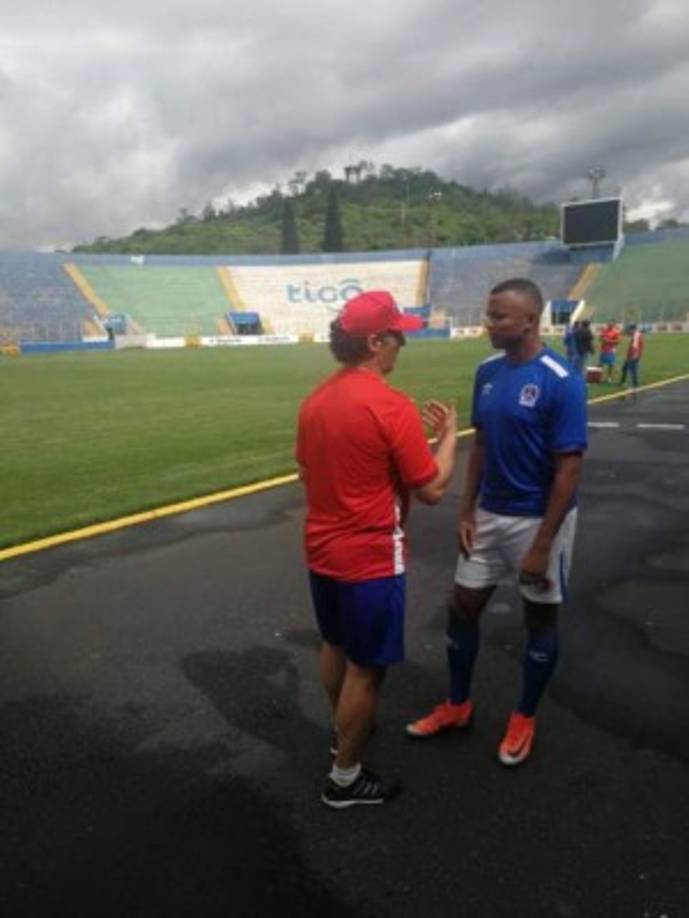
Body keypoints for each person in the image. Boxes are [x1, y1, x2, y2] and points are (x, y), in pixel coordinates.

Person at [406, 278, 587, 767]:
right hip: (488, 515)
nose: (488, 324)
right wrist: (467, 509)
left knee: (539, 618)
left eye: (498, 316)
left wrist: (542, 545)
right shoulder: (486, 372)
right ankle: (458, 704)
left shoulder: (562, 379)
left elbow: (569, 468)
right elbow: (481, 445)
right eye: (488, 314)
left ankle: (524, 715)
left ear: (529, 320)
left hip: (538, 520)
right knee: (462, 608)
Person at [296, 290, 457, 808]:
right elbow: (431, 489)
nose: (402, 342)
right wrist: (450, 437)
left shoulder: (316, 399)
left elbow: (306, 469)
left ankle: (340, 730)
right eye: (396, 334)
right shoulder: (389, 405)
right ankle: (345, 777)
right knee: (367, 668)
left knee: (335, 645)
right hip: (369, 556)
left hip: (322, 549)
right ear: (373, 341)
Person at [618, 323, 645, 395]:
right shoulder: (636, 334)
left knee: (633, 372)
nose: (629, 331)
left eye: (630, 329)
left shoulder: (636, 335)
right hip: (631, 355)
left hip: (633, 356)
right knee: (625, 368)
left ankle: (634, 387)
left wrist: (633, 356)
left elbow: (635, 347)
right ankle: (624, 382)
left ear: (633, 329)